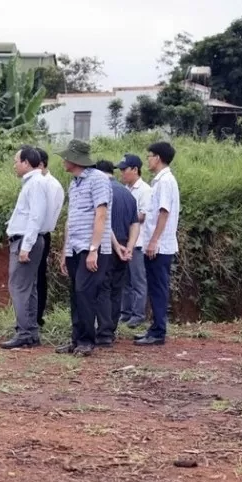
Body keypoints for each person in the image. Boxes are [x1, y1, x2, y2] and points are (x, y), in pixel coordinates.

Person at [55, 139, 113, 357]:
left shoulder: (98, 180)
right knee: (75, 294)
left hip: (92, 248)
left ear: (74, 160)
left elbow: (101, 214)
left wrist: (93, 249)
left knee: (85, 292)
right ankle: (76, 339)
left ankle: (87, 341)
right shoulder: (74, 183)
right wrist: (65, 252)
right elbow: (72, 219)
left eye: (65, 158)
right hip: (75, 248)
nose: (62, 161)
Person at [1, 146, 49, 349]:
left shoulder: (35, 184)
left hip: (25, 241)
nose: (14, 165)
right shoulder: (35, 182)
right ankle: (30, 331)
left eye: (16, 161)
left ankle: (24, 332)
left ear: (26, 163)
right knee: (29, 288)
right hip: (27, 240)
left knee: (19, 287)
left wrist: (26, 246)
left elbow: (35, 217)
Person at [135, 142, 180, 346]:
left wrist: (154, 240)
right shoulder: (160, 181)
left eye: (150, 156)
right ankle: (155, 328)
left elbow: (164, 212)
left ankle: (159, 331)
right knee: (154, 287)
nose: (148, 160)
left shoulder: (165, 181)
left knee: (158, 288)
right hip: (157, 243)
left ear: (158, 158)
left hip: (160, 245)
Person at [94, 160, 139, 347]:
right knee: (116, 288)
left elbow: (102, 221)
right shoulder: (128, 194)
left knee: (103, 287)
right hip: (123, 244)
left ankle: (103, 332)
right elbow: (135, 223)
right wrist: (129, 246)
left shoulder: (102, 191)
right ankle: (110, 329)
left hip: (106, 244)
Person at [116, 154, 153, 328]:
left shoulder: (144, 190)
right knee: (125, 281)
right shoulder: (125, 189)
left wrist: (126, 217)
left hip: (138, 243)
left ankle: (138, 314)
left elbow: (143, 215)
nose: (122, 173)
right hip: (125, 241)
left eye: (125, 169)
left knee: (138, 280)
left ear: (135, 170)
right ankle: (125, 313)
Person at [35, 147, 65, 327]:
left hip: (40, 234)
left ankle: (37, 317)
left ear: (39, 164)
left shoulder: (50, 185)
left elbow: (44, 215)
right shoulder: (39, 183)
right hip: (36, 234)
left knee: (38, 277)